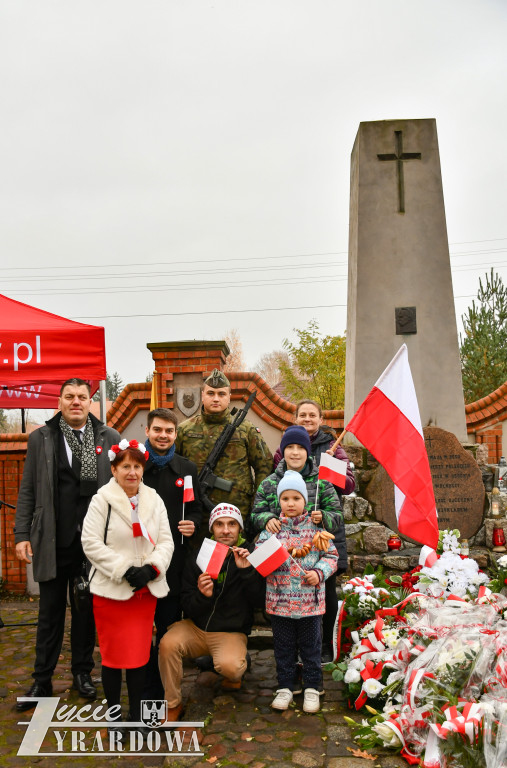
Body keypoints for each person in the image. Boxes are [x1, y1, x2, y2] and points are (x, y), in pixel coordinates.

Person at [14, 378, 120, 711]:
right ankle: (42, 680)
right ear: (59, 401)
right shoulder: (41, 439)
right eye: (69, 397)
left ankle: (82, 673)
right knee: (50, 612)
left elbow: (123, 488)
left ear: (91, 401)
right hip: (53, 539)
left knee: (86, 610)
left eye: (82, 397)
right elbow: (28, 490)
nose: (76, 402)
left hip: (94, 542)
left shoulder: (109, 438)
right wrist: (21, 536)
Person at [81, 439, 174, 727]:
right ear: (114, 469)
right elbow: (90, 542)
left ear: (142, 469)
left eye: (136, 466)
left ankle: (136, 715)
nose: (131, 472)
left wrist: (152, 568)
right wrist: (123, 568)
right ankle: (113, 718)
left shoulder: (154, 499)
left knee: (138, 657)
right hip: (111, 592)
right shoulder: (101, 499)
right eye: (125, 467)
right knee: (111, 658)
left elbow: (166, 541)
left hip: (144, 592)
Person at [246, 424, 346, 664]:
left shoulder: (322, 481)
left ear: (307, 451)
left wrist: (324, 517)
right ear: (283, 451)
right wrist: (267, 519)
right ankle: (287, 652)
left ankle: (319, 647)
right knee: (279, 606)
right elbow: (255, 513)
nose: (294, 452)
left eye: (300, 447)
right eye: (289, 447)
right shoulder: (270, 482)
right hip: (282, 559)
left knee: (325, 597)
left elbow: (338, 514)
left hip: (315, 553)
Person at [158, 503, 265, 722]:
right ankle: (172, 704)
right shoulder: (200, 555)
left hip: (230, 631)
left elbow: (260, 602)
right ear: (212, 529)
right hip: (196, 627)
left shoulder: (253, 554)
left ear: (240, 529)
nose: (226, 530)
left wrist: (246, 572)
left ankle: (237, 664)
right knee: (167, 643)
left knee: (232, 668)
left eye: (232, 524)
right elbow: (186, 603)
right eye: (219, 524)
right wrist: (202, 595)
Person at [256, 470, 338, 714]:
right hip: (279, 602)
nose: (290, 504)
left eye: (296, 498)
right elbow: (259, 557)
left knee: (311, 646)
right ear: (279, 502)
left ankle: (313, 686)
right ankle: (286, 685)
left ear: (305, 501)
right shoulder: (272, 529)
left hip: (309, 604)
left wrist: (320, 572)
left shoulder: (316, 530)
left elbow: (332, 556)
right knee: (283, 646)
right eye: (285, 499)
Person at [141, 407, 203, 699]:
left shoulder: (186, 468)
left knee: (167, 629)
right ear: (147, 431)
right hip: (140, 560)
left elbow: (197, 508)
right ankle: (144, 685)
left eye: (169, 431)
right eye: (158, 430)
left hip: (174, 564)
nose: (163, 435)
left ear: (176, 434)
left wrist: (193, 522)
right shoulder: (134, 465)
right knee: (141, 632)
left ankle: (169, 690)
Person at [176, 369, 273, 527]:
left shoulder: (245, 429)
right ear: (202, 395)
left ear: (229, 397)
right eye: (211, 393)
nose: (216, 398)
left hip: (237, 516)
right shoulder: (184, 430)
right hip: (196, 517)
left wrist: (256, 507)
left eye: (221, 394)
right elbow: (172, 468)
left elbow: (265, 467)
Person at [273, 400, 355, 496]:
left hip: (324, 508)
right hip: (292, 507)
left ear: (321, 419)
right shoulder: (283, 448)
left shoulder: (333, 446)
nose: (307, 419)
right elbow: (275, 482)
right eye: (303, 415)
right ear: (296, 419)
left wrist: (331, 466)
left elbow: (349, 487)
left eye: (312, 415)